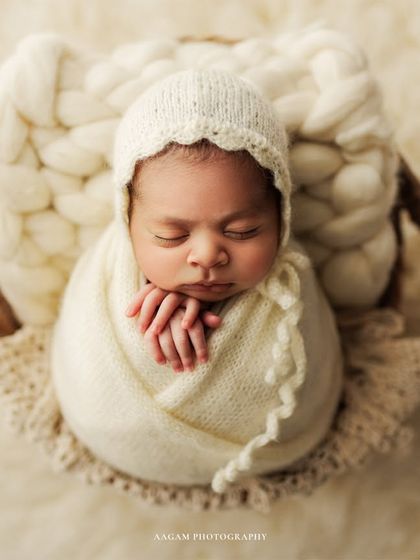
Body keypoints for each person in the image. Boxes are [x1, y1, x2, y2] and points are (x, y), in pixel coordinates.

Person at [51, 69, 343, 492]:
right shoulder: (106, 274)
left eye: (242, 231)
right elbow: (88, 365)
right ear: (126, 222)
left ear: (281, 219)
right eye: (171, 235)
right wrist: (140, 327)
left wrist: (221, 324)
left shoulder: (291, 284)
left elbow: (307, 377)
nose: (206, 257)